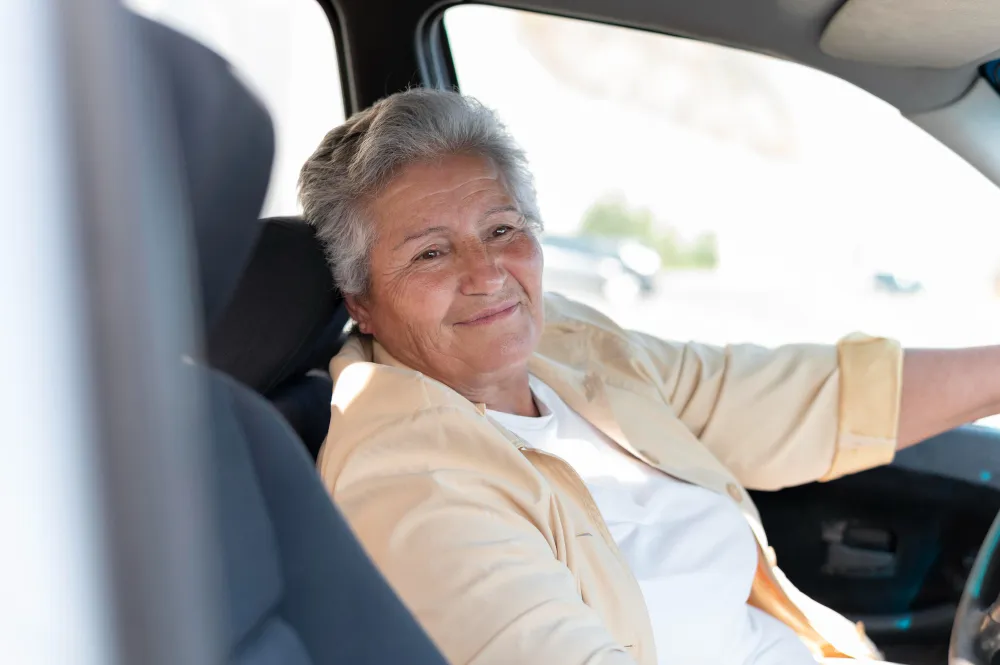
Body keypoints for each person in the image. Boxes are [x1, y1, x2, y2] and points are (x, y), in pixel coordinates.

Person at [298, 88, 1000, 665]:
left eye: (503, 229)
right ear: (361, 298)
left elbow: (792, 397)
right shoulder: (405, 481)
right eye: (429, 253)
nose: (488, 274)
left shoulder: (567, 347)